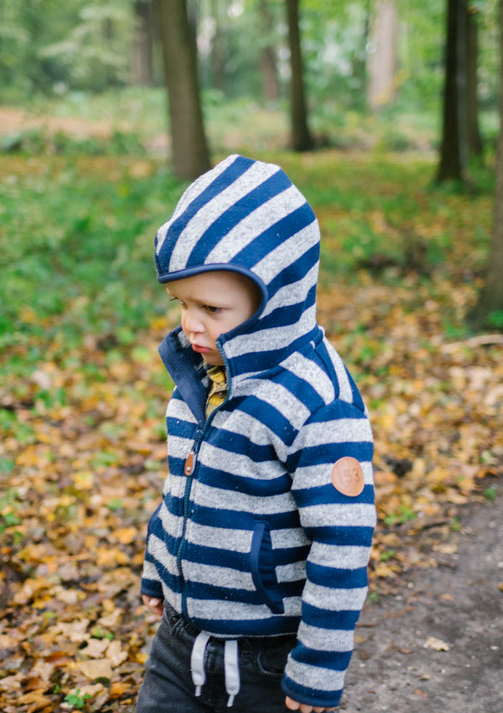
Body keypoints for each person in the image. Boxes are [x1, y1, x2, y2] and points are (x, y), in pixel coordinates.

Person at [137, 155, 377, 713]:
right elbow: (183, 490)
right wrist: (158, 570)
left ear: (276, 300)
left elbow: (342, 541)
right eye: (182, 304)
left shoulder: (317, 401)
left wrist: (318, 664)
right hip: (180, 638)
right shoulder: (201, 376)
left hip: (268, 651)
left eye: (212, 308)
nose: (190, 325)